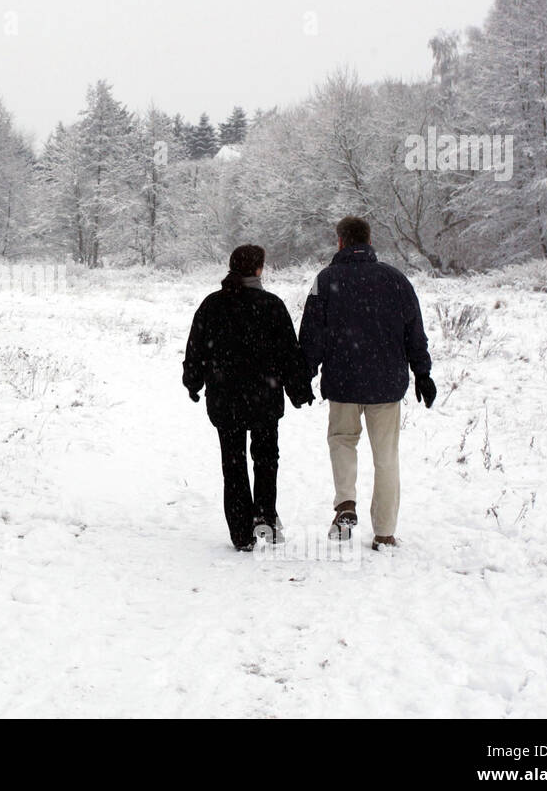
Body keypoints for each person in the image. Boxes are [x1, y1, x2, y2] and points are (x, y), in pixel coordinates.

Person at [298, 216, 436, 550]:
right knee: (386, 457)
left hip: (343, 380)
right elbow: (413, 332)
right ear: (369, 240)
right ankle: (385, 533)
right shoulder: (397, 280)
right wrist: (423, 373)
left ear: (341, 242)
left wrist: (304, 373)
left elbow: (311, 335)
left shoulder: (325, 280)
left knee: (342, 440)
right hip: (386, 384)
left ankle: (346, 503)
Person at [183, 244, 314, 552]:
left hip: (224, 399)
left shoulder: (213, 305)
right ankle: (265, 521)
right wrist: (299, 390)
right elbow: (289, 355)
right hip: (264, 400)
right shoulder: (271, 305)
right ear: (258, 269)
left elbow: (196, 348)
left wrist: (193, 381)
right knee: (266, 460)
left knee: (234, 464)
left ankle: (241, 533)